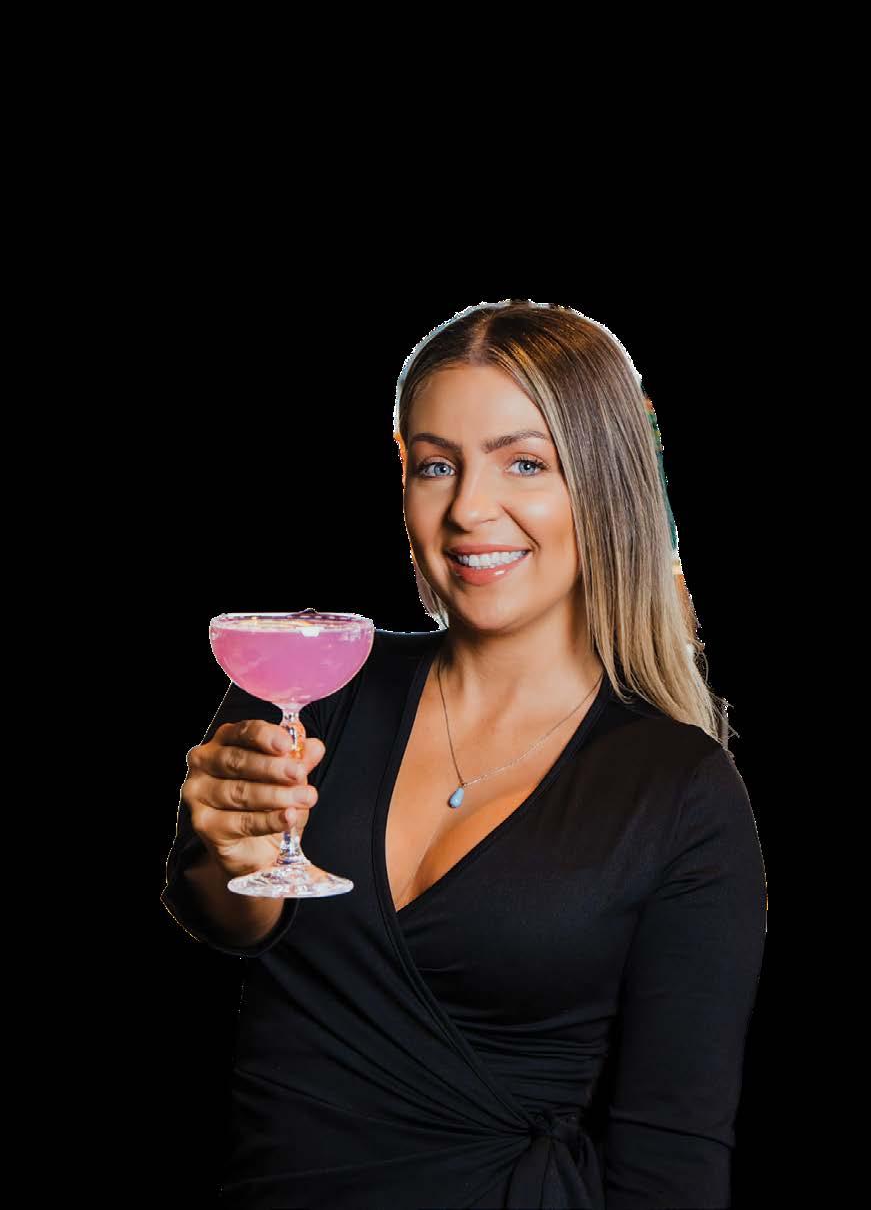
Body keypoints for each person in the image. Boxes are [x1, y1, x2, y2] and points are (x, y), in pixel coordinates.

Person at [162, 299, 767, 1209]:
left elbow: (672, 1152)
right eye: (436, 465)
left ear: (604, 485)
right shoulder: (315, 681)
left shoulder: (680, 787)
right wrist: (225, 850)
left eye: (524, 462)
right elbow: (225, 923)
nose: (468, 509)